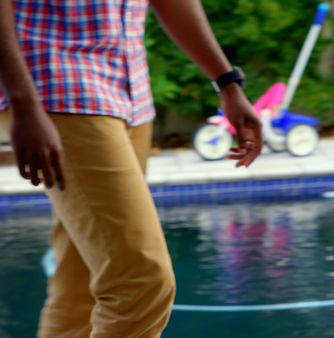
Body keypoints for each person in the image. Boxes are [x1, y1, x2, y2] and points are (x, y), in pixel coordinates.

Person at [0, 0, 262, 337]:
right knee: (141, 281)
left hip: (128, 88)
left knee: (79, 286)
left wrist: (226, 81)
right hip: (53, 85)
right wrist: (23, 103)